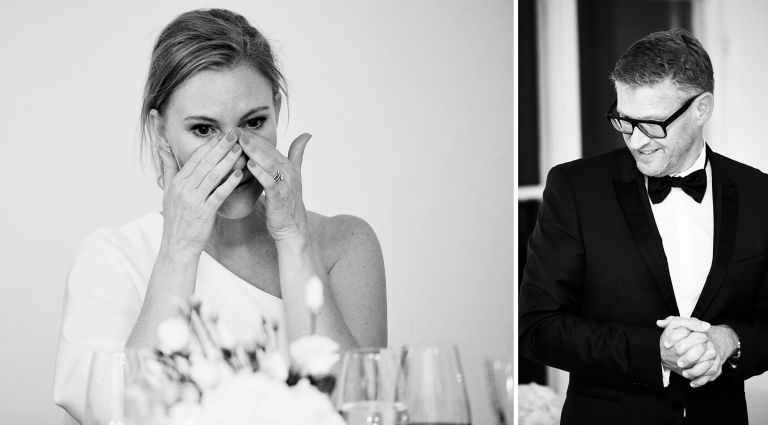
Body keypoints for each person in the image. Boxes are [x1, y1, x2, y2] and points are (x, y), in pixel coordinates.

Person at [53, 8, 387, 423]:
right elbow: (120, 416)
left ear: (277, 111)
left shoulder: (346, 245)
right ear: (161, 132)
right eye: (204, 130)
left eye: (255, 122)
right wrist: (179, 249)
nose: (235, 157)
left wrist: (294, 236)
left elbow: (358, 411)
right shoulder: (111, 258)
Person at [519, 29, 768, 425]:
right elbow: (538, 327)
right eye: (624, 121)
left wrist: (731, 342)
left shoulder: (760, 193)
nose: (636, 142)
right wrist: (654, 352)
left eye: (652, 124)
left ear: (702, 109)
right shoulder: (575, 188)